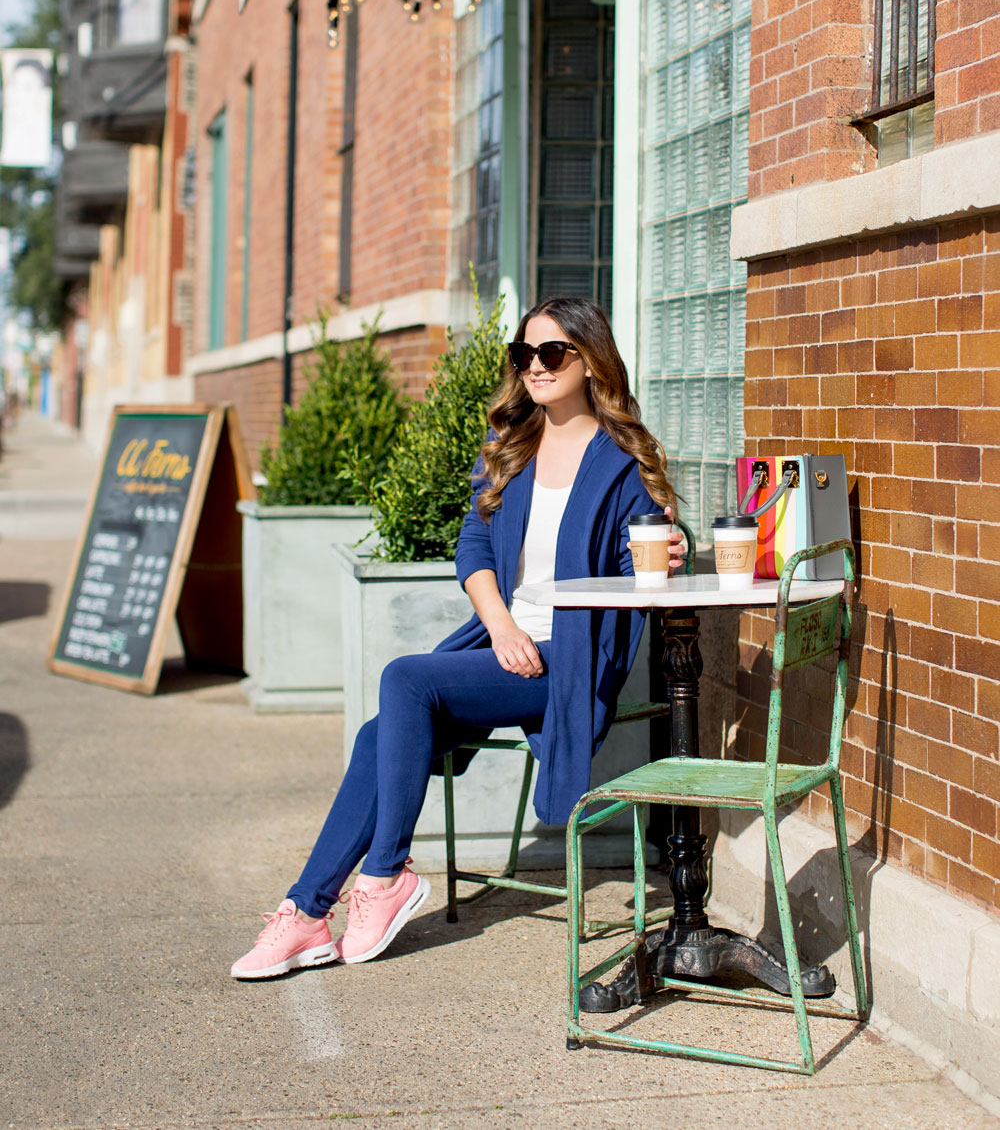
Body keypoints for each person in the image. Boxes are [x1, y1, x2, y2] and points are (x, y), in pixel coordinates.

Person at [231, 295, 684, 980]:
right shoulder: (510, 449)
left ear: (591, 360)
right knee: (376, 734)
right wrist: (500, 626)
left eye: (552, 353)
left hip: (572, 659)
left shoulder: (622, 463)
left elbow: (631, 582)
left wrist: (664, 555)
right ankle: (305, 913)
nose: (534, 366)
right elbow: (473, 548)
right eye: (523, 354)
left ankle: (382, 878)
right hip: (506, 644)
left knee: (407, 679)